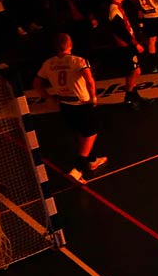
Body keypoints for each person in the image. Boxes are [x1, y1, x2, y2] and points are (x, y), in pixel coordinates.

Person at [31, 33, 106, 178]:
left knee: (81, 132)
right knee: (92, 133)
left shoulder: (49, 63)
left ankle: (92, 160)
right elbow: (89, 80)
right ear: (70, 45)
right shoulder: (78, 61)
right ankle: (78, 169)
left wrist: (48, 96)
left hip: (65, 104)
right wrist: (93, 97)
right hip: (82, 103)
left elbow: (36, 84)